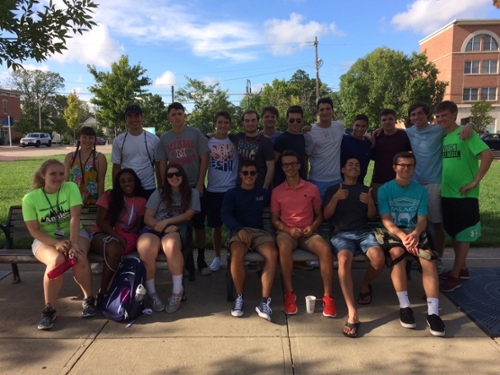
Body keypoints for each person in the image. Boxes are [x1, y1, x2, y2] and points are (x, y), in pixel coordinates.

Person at [377, 152, 445, 337]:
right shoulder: (384, 190)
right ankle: (405, 307)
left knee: (428, 260)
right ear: (394, 167)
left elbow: (422, 219)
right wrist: (403, 237)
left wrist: (414, 234)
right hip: (394, 231)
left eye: (409, 165)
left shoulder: (421, 191)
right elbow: (386, 220)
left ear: (414, 168)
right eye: (402, 165)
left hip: (415, 232)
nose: (405, 168)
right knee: (397, 254)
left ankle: (433, 313)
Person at [22, 159, 95, 330]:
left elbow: (74, 217)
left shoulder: (70, 188)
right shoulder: (30, 199)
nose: (58, 177)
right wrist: (56, 243)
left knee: (78, 255)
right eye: (53, 174)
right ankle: (49, 309)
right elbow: (34, 231)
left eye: (61, 173)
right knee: (55, 261)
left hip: (74, 233)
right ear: (43, 175)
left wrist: (74, 243)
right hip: (46, 239)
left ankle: (89, 300)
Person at [406, 101, 474, 273]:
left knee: (437, 224)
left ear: (427, 115)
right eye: (413, 115)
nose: (416, 118)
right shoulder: (409, 132)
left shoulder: (438, 130)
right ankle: (422, 256)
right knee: (419, 224)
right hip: (416, 184)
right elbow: (390, 132)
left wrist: (471, 124)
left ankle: (438, 259)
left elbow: (455, 126)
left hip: (435, 183)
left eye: (419, 114)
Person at [435, 101, 494, 292]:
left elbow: (488, 155)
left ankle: (454, 277)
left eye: (444, 115)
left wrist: (475, 182)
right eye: (438, 116)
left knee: (463, 234)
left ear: (454, 114)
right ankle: (462, 269)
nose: (440, 119)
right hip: (447, 193)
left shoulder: (466, 133)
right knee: (453, 233)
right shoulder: (444, 136)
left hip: (464, 195)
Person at [323, 156, 385, 338]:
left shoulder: (366, 190)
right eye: (350, 165)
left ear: (360, 171)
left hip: (363, 233)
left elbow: (372, 218)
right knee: (343, 259)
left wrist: (370, 203)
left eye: (357, 165)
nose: (353, 167)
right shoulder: (333, 189)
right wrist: (335, 199)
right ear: (343, 170)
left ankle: (364, 284)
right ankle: (352, 312)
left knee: (379, 258)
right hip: (341, 234)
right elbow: (326, 215)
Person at [271, 150, 336, 316]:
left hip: (308, 232)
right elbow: (275, 221)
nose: (290, 167)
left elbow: (319, 215)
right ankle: (289, 294)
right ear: (282, 167)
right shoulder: (277, 191)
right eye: (286, 165)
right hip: (287, 232)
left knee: (325, 249)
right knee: (284, 247)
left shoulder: (311, 188)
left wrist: (313, 228)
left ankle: (328, 297)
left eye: (293, 164)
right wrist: (288, 230)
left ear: (299, 165)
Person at [136, 164, 200, 313]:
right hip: (154, 229)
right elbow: (148, 217)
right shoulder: (159, 194)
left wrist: (167, 222)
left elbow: (188, 215)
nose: (174, 177)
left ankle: (177, 292)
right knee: (146, 250)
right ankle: (151, 293)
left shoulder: (192, 193)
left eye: (177, 174)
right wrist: (163, 226)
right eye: (170, 175)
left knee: (171, 246)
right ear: (165, 179)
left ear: (183, 175)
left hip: (174, 229)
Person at [156, 102, 210, 276]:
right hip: (175, 187)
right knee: (179, 224)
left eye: (180, 113)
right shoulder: (165, 138)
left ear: (185, 115)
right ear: (169, 117)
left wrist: (201, 183)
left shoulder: (195, 133)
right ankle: (186, 259)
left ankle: (201, 258)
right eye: (173, 114)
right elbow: (162, 163)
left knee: (199, 225)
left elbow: (204, 158)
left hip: (194, 184)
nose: (177, 117)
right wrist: (163, 186)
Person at [221, 160, 278, 321]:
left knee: (272, 254)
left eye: (252, 173)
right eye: (245, 173)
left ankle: (264, 302)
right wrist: (240, 229)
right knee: (237, 253)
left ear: (256, 175)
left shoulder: (263, 193)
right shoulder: (232, 193)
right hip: (240, 231)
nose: (249, 176)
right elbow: (225, 214)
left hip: (259, 233)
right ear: (240, 175)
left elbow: (280, 201)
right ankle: (239, 297)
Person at [90, 169, 147, 306]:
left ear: (135, 182)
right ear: (118, 184)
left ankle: (119, 289)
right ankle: (103, 292)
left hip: (122, 237)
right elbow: (100, 221)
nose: (127, 184)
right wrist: (117, 236)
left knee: (116, 249)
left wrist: (127, 235)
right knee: (114, 249)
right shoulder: (110, 195)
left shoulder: (141, 201)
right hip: (102, 234)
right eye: (123, 181)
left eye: (130, 180)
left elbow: (137, 226)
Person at [206, 110, 238, 272]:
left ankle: (235, 256)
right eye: (220, 122)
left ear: (230, 124)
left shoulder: (235, 141)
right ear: (215, 124)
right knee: (216, 226)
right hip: (213, 190)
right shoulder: (208, 142)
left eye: (226, 122)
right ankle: (218, 257)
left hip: (232, 190)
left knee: (234, 226)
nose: (223, 125)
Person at [111, 104, 160, 198]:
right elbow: (116, 167)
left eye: (136, 116)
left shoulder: (154, 139)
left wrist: (161, 188)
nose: (133, 119)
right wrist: (116, 190)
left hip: (148, 187)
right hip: (127, 188)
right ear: (126, 119)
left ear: (142, 117)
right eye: (130, 116)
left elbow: (158, 166)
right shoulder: (119, 140)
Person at [304, 97, 344, 200]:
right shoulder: (310, 132)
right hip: (317, 181)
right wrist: (305, 180)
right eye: (322, 109)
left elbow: (354, 135)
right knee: (317, 214)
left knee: (336, 214)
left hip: (337, 180)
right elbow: (306, 157)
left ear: (332, 111)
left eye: (328, 109)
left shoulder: (339, 127)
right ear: (317, 112)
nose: (325, 112)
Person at [371, 109, 412, 204]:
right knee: (379, 210)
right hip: (379, 180)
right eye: (384, 120)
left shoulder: (404, 135)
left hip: (399, 180)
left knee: (400, 210)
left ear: (395, 120)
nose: (387, 122)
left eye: (390, 119)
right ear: (380, 122)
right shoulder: (376, 137)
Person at [229, 110, 275, 190]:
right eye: (247, 121)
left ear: (258, 122)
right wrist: (208, 136)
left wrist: (265, 188)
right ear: (243, 122)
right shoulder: (237, 137)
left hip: (258, 187)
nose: (250, 123)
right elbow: (221, 134)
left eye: (253, 120)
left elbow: (271, 167)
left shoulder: (266, 141)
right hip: (240, 186)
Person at [64, 126, 107, 205]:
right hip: (73, 201)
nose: (87, 140)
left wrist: (100, 203)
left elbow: (101, 181)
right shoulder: (70, 157)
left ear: (94, 139)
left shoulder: (100, 158)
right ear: (79, 138)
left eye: (90, 137)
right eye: (84, 137)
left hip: (93, 200)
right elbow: (65, 180)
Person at [274, 105, 308, 186]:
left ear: (302, 120)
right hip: (284, 185)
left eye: (298, 120)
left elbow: (305, 161)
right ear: (287, 120)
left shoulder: (302, 138)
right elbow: (273, 164)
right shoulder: (281, 139)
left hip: (301, 183)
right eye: (292, 120)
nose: (295, 123)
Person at [340, 115, 374, 185]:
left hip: (359, 184)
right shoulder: (343, 140)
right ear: (352, 125)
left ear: (367, 127)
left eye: (363, 126)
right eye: (357, 125)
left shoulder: (369, 143)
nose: (359, 129)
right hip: (342, 182)